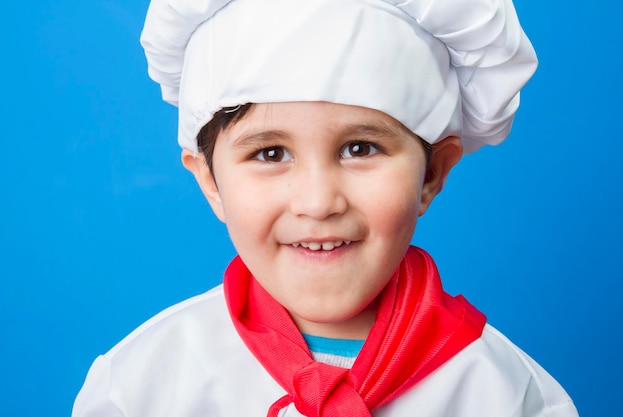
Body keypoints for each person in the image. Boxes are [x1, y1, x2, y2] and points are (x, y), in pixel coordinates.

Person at [72, 0, 579, 416]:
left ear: (432, 173)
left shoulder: (507, 395)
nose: (317, 203)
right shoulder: (141, 387)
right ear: (210, 181)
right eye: (270, 154)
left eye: (360, 148)